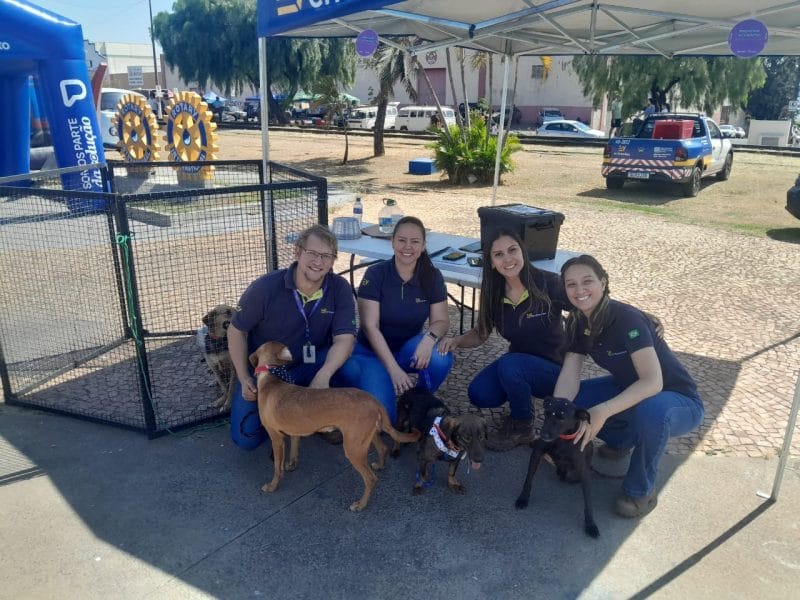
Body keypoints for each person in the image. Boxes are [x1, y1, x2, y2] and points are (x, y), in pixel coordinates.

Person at [553, 254, 704, 518]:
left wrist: (603, 411)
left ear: (603, 282)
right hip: (629, 389)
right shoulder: (578, 321)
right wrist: (558, 416)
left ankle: (639, 491)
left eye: (587, 281)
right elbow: (569, 375)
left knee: (652, 411)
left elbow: (653, 381)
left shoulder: (627, 320)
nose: (580, 290)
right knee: (574, 404)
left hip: (677, 400)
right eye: (571, 284)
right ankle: (620, 441)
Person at [227, 224, 359, 449]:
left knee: (355, 366)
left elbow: (345, 339)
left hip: (312, 363)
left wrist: (324, 375)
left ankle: (326, 415)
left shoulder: (340, 288)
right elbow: (236, 331)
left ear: (333, 260)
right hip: (268, 372)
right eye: (313, 253)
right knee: (245, 439)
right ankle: (298, 418)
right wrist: (243, 377)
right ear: (297, 252)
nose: (319, 262)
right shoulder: (265, 287)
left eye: (326, 256)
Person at [439, 229, 568, 452]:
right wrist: (457, 341)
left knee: (511, 364)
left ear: (523, 252)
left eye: (512, 250)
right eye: (498, 254)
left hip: (555, 370)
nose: (507, 259)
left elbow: (587, 305)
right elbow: (481, 333)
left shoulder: (548, 283)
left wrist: (637, 317)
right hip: (519, 364)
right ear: (490, 262)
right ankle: (522, 393)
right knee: (479, 393)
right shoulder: (494, 293)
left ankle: (522, 424)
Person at [353, 216, 453, 422]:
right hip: (371, 352)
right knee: (385, 419)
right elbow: (370, 327)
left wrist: (429, 339)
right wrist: (393, 370)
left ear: (423, 245)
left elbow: (441, 320)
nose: (408, 247)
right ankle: (377, 383)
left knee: (440, 356)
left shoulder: (432, 276)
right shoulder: (375, 274)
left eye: (415, 241)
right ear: (392, 242)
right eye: (402, 240)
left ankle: (418, 398)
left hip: (407, 348)